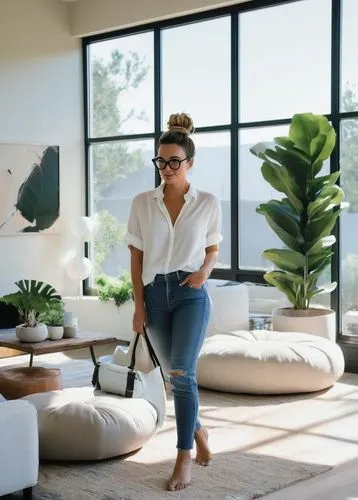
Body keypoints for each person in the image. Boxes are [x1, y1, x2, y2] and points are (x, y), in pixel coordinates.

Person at [125, 112, 222, 492]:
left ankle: (183, 456)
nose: (166, 167)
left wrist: (203, 273)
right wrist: (138, 305)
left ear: (190, 163)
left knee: (183, 372)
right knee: (173, 376)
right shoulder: (142, 203)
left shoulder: (208, 202)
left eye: (174, 161)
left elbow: (213, 247)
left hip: (191, 293)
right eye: (161, 160)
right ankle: (197, 429)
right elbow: (135, 255)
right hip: (154, 295)